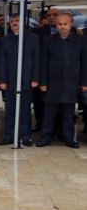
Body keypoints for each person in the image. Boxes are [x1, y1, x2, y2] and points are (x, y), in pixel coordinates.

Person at [37, 13, 86, 148]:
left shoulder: (80, 41)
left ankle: (69, 138)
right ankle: (45, 137)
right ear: (56, 25)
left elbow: (84, 62)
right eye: (60, 24)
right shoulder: (48, 40)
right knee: (49, 113)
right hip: (52, 83)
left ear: (71, 24)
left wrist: (84, 82)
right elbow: (43, 63)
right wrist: (43, 82)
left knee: (69, 114)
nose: (62, 27)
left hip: (71, 82)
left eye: (65, 24)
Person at [0, 14, 39, 146]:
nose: (14, 23)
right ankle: (9, 135)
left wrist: (35, 78)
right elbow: (1, 61)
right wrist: (2, 80)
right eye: (12, 21)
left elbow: (37, 59)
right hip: (10, 81)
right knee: (10, 110)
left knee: (25, 110)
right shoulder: (5, 40)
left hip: (27, 80)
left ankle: (26, 136)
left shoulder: (33, 38)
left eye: (17, 21)